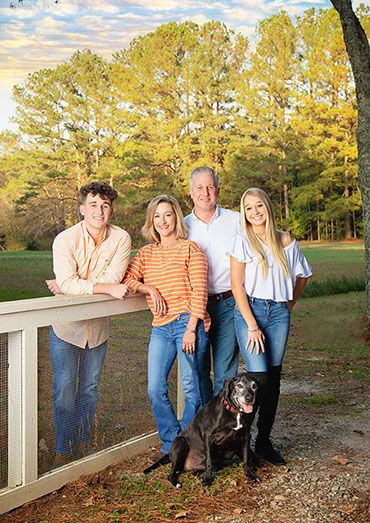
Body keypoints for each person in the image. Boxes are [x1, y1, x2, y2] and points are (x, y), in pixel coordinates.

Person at [46, 181, 131, 465]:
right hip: (66, 328)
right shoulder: (65, 239)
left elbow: (115, 277)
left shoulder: (121, 239)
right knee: (65, 390)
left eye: (105, 205)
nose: (100, 210)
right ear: (82, 208)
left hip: (98, 328)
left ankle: (83, 443)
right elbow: (75, 283)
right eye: (93, 204)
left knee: (90, 388)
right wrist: (103, 287)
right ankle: (62, 448)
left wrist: (73, 285)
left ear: (112, 210)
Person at [123, 194, 209, 465]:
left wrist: (192, 328)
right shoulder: (147, 253)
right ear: (152, 221)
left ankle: (189, 444)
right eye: (157, 216)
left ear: (176, 218)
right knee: (154, 387)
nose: (163, 221)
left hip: (188, 323)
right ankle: (172, 441)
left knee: (190, 386)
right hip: (161, 327)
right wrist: (148, 288)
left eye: (168, 215)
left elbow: (200, 292)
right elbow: (128, 279)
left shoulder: (191, 249)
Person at [230, 187, 312, 464]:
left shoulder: (286, 240)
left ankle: (265, 441)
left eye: (259, 206)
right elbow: (236, 287)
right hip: (249, 312)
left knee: (273, 380)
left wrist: (288, 305)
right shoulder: (242, 240)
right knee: (259, 379)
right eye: (248, 208)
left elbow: (303, 275)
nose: (255, 213)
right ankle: (245, 443)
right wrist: (252, 325)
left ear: (268, 207)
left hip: (278, 313)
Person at [184, 166, 240, 403]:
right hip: (196, 307)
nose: (205, 192)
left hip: (229, 303)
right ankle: (205, 428)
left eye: (210, 187)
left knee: (226, 374)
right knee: (198, 372)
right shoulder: (182, 226)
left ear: (217, 189)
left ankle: (224, 432)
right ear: (191, 191)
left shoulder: (236, 220)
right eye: (199, 187)